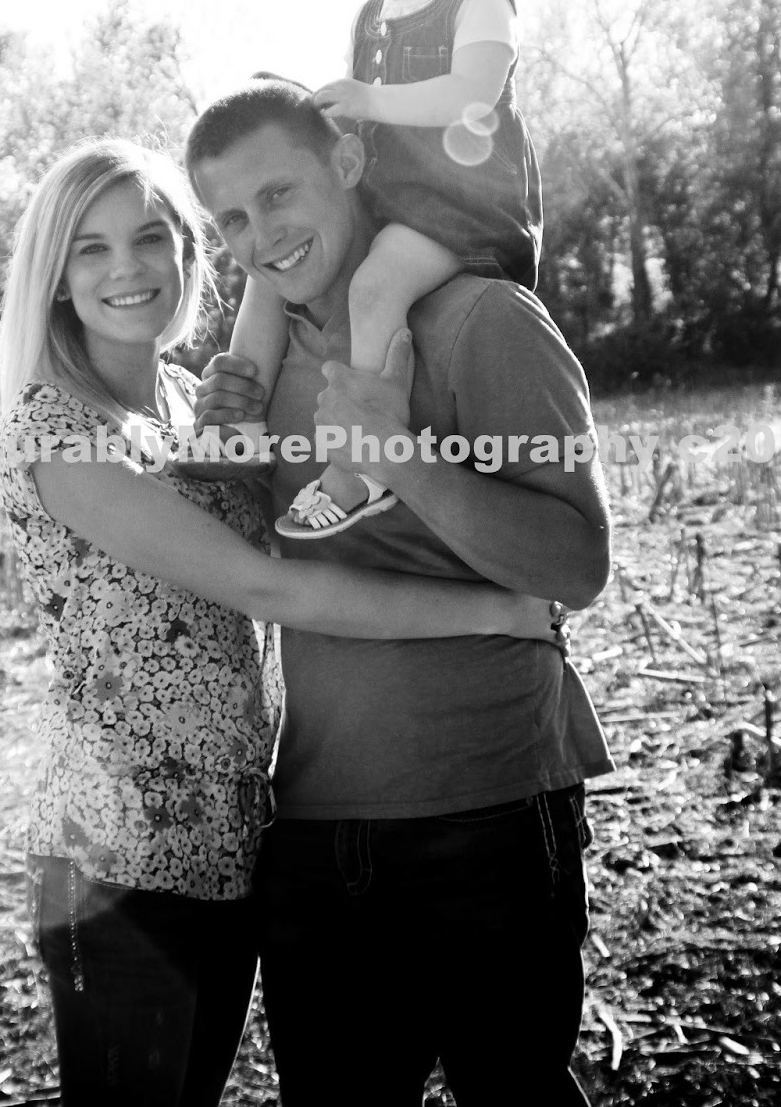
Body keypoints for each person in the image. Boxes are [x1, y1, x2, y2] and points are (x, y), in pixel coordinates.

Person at [0, 138, 568, 1107]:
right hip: (117, 855)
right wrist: (496, 610)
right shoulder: (59, 432)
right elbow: (270, 588)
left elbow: (315, 506)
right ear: (53, 275)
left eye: (151, 237)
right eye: (90, 248)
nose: (127, 268)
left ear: (189, 254)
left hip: (229, 837)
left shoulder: (190, 406)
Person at [185, 83, 614, 1106]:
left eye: (278, 194)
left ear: (346, 164)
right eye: (231, 219)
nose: (261, 237)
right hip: (314, 820)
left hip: (488, 811)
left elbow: (577, 564)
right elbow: (258, 563)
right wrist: (222, 449)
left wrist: (402, 459)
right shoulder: (262, 369)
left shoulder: (483, 320)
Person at [195, 0, 542, 538]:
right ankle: (237, 424)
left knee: (374, 287)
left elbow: (473, 94)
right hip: (392, 194)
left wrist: (370, 100)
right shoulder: (372, 15)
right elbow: (357, 125)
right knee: (267, 269)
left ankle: (361, 465)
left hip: (464, 206)